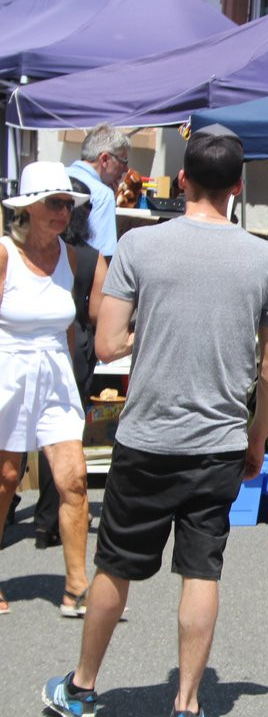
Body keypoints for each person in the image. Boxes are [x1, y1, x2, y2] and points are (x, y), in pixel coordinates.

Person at [42, 124, 268, 717]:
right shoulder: (263, 258)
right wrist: (257, 438)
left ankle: (82, 688)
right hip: (219, 442)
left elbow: (105, 345)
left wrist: (149, 326)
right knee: (202, 570)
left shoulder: (139, 248)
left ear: (182, 179)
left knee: (116, 566)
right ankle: (186, 703)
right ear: (237, 185)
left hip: (147, 437)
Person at [0, 161, 94, 617]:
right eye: (55, 203)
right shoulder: (3, 254)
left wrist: (73, 379)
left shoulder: (70, 258)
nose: (63, 212)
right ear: (30, 208)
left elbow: (70, 329)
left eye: (68, 205)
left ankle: (77, 584)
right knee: (6, 479)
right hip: (7, 370)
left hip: (55, 374)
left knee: (73, 477)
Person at [34, 176, 107, 550]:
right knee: (63, 438)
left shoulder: (36, 251)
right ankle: (49, 519)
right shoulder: (91, 257)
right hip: (74, 350)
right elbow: (97, 314)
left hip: (35, 347)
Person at [66, 123, 131, 261]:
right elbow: (103, 256)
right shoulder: (102, 195)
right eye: (124, 161)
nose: (126, 169)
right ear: (105, 159)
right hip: (81, 277)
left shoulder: (57, 177)